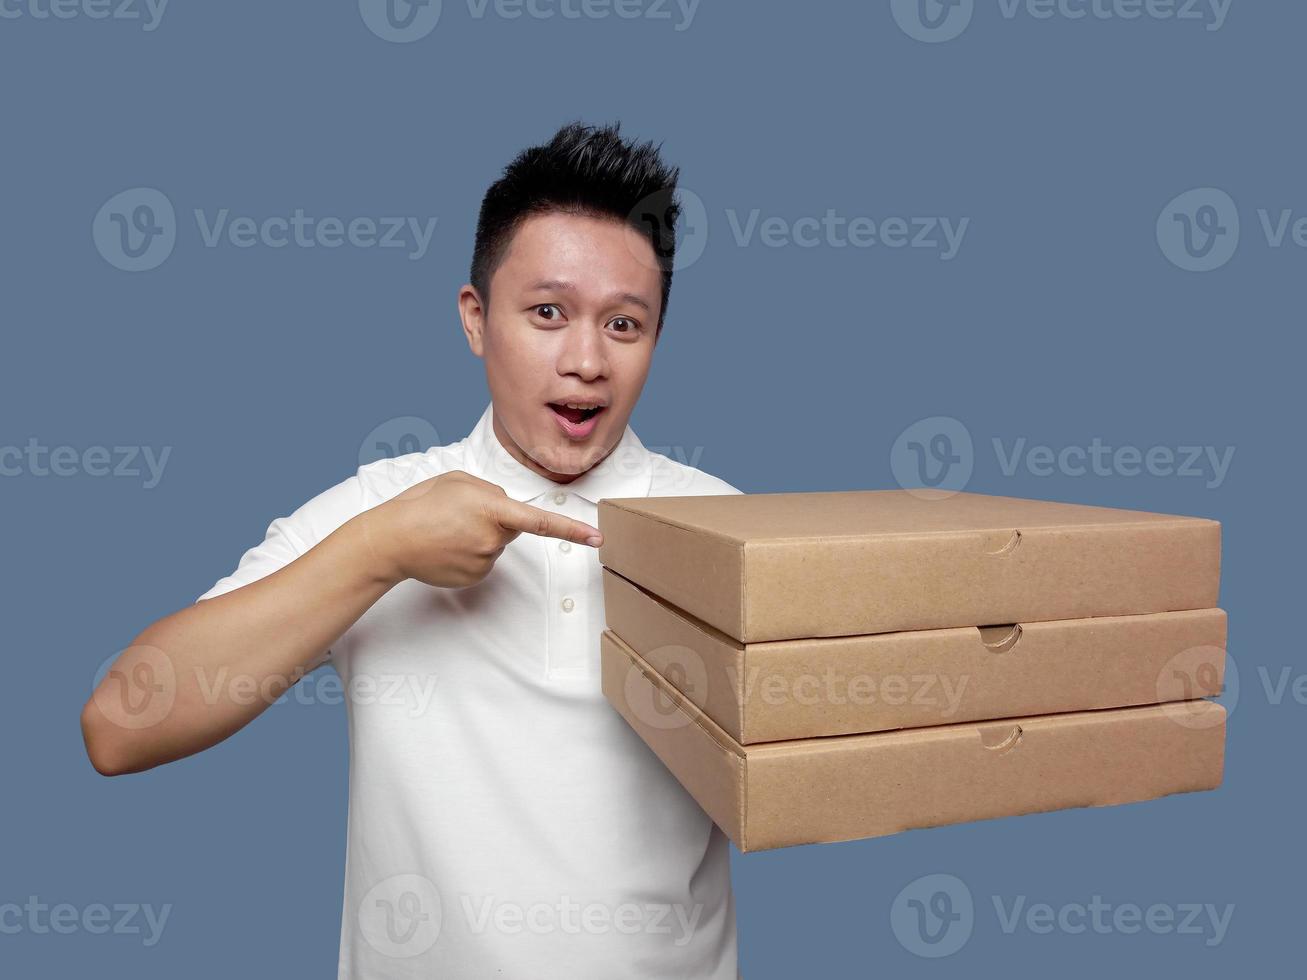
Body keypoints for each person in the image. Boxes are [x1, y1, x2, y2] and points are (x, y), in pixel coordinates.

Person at [80, 120, 742, 979]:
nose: (585, 361)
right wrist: (380, 552)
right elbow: (119, 726)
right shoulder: (377, 512)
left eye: (624, 324)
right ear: (476, 319)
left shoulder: (722, 528)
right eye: (547, 313)